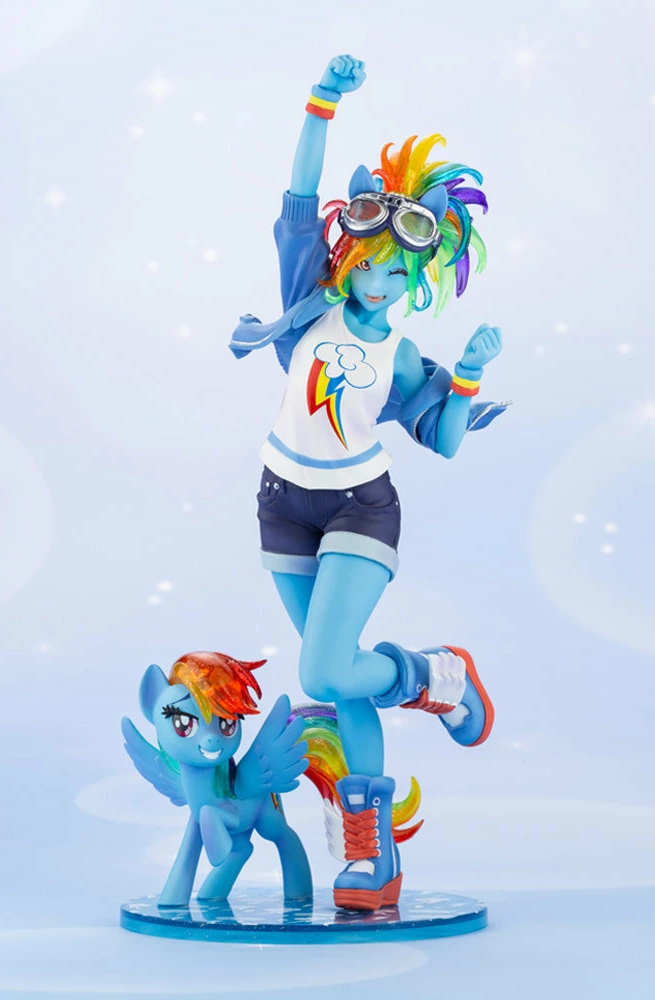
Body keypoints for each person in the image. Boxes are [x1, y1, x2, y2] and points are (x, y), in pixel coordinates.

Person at [229, 54, 508, 910]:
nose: (377, 284)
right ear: (345, 257)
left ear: (415, 278)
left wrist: (464, 376)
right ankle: (372, 856)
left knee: (323, 674)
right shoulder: (304, 303)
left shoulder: (404, 354)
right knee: (341, 672)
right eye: (366, 265)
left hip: (360, 505)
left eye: (396, 273)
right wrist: (322, 103)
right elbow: (298, 196)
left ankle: (432, 676)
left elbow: (445, 442)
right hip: (281, 504)